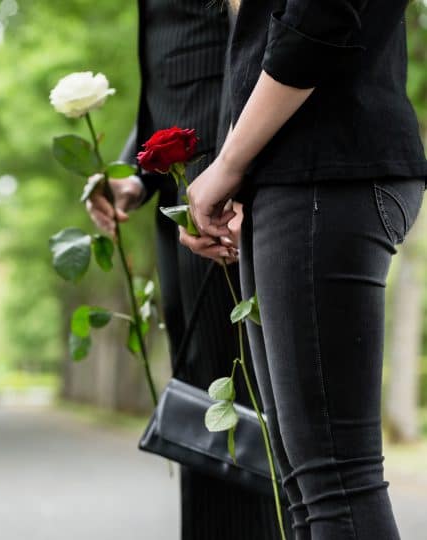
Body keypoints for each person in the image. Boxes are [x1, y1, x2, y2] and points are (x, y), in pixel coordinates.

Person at [181, 1, 427, 539]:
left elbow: (321, 14)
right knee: (304, 486)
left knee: (334, 483)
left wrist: (229, 165)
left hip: (323, 169)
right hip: (297, 174)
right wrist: (238, 175)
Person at [86, 1, 289, 538]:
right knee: (209, 416)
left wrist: (238, 177)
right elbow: (178, 75)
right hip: (185, 195)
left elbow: (258, 45)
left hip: (227, 197)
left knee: (244, 419)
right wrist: (137, 173)